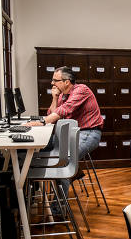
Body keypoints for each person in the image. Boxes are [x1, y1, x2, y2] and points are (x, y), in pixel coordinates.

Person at [25, 66, 104, 209]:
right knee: (38, 149)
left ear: (67, 82)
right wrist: (55, 97)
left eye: (56, 80)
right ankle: (33, 192)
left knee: (64, 161)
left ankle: (59, 210)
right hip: (70, 134)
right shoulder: (62, 95)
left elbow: (63, 110)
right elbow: (53, 113)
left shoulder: (81, 90)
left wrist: (42, 122)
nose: (52, 83)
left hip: (88, 133)